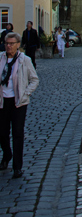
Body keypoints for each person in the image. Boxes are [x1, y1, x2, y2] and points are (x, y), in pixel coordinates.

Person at [0, 32, 39, 178]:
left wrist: (26, 93)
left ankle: (17, 166)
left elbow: (34, 80)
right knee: (2, 133)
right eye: (6, 43)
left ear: (18, 45)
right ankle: (7, 155)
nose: (8, 46)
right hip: (2, 101)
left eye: (11, 43)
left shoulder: (24, 60)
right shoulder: (1, 59)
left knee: (17, 134)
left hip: (18, 102)